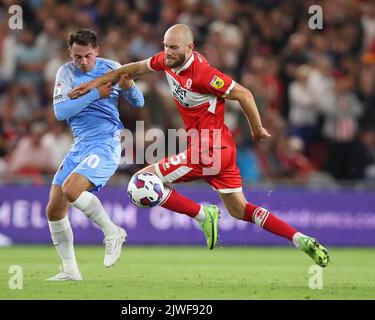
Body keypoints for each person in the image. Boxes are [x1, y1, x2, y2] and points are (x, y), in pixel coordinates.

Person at [69, 24, 330, 268]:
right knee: (240, 210)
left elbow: (244, 94)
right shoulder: (167, 61)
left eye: (174, 48)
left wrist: (256, 128)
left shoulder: (204, 75)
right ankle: (299, 238)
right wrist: (91, 85)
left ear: (190, 48)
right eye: (165, 46)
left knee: (140, 180)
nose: (167, 53)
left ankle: (203, 214)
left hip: (208, 152)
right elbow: (131, 69)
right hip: (221, 152)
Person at [46, 29, 145, 281]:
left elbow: (139, 102)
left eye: (87, 56)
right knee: (54, 210)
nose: (83, 62)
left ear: (97, 51)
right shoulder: (65, 73)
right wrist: (94, 94)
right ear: (70, 53)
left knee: (72, 191)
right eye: (77, 56)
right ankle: (70, 270)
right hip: (79, 145)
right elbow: (61, 111)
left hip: (105, 142)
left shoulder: (111, 68)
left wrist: (129, 87)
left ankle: (112, 232)